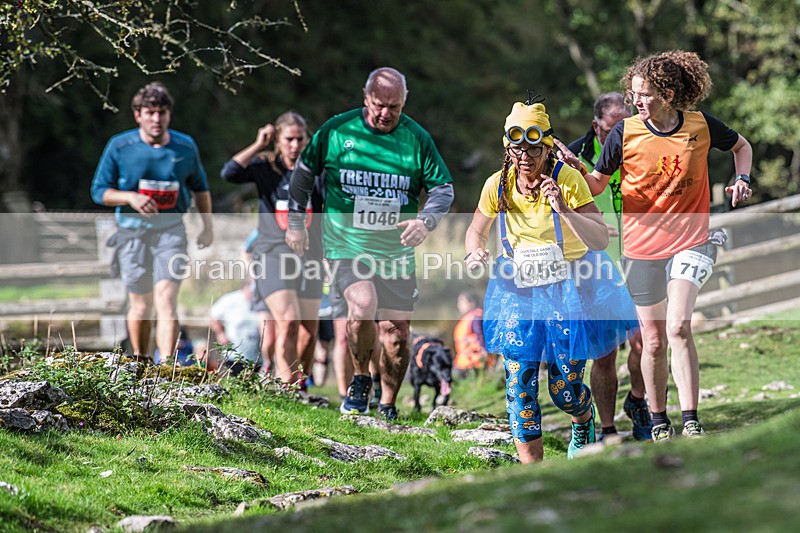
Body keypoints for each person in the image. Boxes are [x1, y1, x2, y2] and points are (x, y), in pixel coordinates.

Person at [575, 51, 753, 441]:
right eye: (633, 94)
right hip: (640, 249)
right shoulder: (625, 133)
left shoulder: (701, 126)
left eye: (644, 95)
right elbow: (597, 185)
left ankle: (690, 418)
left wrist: (741, 178)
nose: (635, 102)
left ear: (668, 94)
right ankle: (659, 420)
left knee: (677, 327)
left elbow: (742, 146)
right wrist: (569, 172)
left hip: (691, 241)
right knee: (652, 341)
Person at [464, 96, 639, 463]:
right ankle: (535, 472)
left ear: (547, 147)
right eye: (517, 148)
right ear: (507, 148)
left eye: (533, 147)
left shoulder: (568, 179)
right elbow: (475, 231)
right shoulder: (497, 185)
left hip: (571, 289)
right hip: (517, 291)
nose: (525, 156)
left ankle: (583, 420)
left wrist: (562, 208)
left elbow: (600, 239)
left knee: (565, 389)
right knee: (519, 384)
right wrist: (475, 251)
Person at [286, 67, 455, 420]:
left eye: (394, 106)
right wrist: (297, 222)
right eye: (379, 104)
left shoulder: (416, 138)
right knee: (362, 304)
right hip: (346, 246)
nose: (385, 113)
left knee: (397, 336)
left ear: (403, 103)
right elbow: (303, 172)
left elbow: (442, 188)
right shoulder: (337, 130)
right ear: (366, 98)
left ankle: (389, 402)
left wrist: (426, 220)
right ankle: (361, 377)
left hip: (396, 253)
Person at [91, 82, 213, 362]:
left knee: (167, 300)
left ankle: (167, 369)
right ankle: (141, 362)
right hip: (131, 234)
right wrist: (130, 198)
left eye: (162, 112)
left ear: (169, 115)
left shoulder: (185, 146)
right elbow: (99, 191)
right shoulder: (120, 146)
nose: (157, 119)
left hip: (171, 233)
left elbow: (201, 188)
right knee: (140, 304)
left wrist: (207, 226)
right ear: (138, 115)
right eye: (150, 112)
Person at [557, 92, 652, 442]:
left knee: (646, 341)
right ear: (596, 125)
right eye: (613, 128)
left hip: (639, 255)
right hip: (594, 264)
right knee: (606, 352)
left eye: (626, 127)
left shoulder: (640, 147)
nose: (620, 134)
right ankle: (607, 427)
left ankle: (639, 401)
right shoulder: (571, 158)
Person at [220, 112, 324, 387]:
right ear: (278, 140)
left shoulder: (317, 170)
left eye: (299, 139)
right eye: (288, 139)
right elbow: (229, 172)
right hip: (273, 253)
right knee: (288, 322)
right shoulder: (267, 168)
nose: (294, 145)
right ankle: (285, 387)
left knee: (309, 331)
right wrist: (258, 144)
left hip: (310, 256)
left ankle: (300, 384)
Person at [209, 282, 263, 376]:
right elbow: (213, 316)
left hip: (256, 355)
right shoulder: (230, 300)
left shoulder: (261, 300)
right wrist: (220, 333)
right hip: (234, 354)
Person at [452, 290, 492, 377]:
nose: (459, 304)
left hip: (474, 360)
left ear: (471, 303)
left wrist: (483, 349)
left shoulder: (476, 317)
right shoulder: (468, 317)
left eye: (462, 301)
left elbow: (480, 334)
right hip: (464, 359)